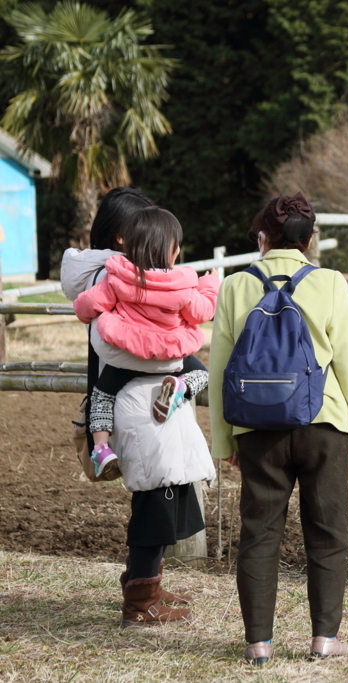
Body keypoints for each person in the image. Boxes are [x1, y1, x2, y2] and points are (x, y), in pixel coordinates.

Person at [209, 192, 348, 665]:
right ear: (309, 239)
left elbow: (222, 365)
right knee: (328, 531)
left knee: (259, 533)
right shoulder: (330, 282)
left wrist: (226, 439)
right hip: (323, 425)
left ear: (263, 236)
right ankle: (324, 638)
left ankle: (258, 642)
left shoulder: (235, 286)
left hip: (256, 428)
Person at [60, 189, 216, 628]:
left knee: (163, 497)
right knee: (157, 502)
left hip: (138, 396)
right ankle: (140, 602)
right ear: (122, 239)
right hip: (142, 401)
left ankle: (145, 585)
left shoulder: (122, 279)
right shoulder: (116, 282)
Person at [72, 207, 219, 478]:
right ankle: (181, 388)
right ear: (173, 250)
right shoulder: (182, 286)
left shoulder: (118, 278)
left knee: (102, 395)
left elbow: (88, 305)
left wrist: (81, 308)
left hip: (127, 354)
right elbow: (203, 311)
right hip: (169, 357)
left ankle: (102, 449)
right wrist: (210, 283)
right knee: (201, 373)